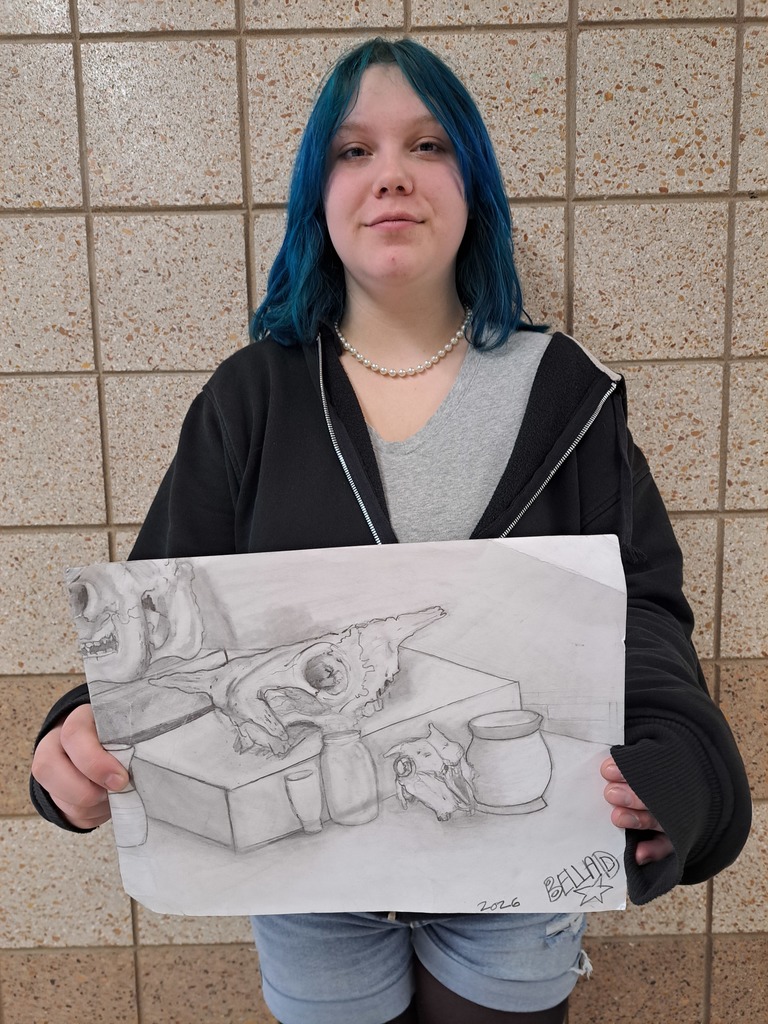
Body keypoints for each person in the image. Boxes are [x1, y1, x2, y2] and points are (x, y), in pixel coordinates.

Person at [30, 37, 751, 1024]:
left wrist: (681, 766)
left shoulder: (570, 394)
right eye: (354, 151)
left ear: (476, 185)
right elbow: (157, 615)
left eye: (429, 145)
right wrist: (79, 732)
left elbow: (644, 615)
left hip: (514, 872)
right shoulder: (252, 399)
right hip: (310, 889)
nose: (393, 176)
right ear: (316, 197)